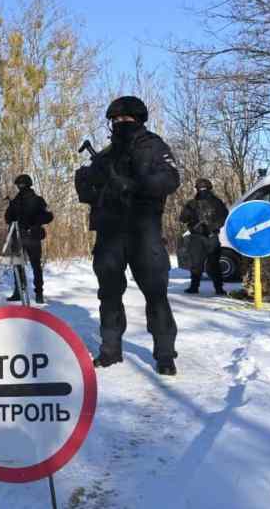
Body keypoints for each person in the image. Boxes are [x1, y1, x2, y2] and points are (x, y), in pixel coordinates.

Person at [74, 96, 181, 376]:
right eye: (116, 119)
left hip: (144, 231)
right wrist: (85, 182)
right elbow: (89, 194)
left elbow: (171, 179)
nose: (120, 123)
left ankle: (165, 354)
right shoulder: (106, 155)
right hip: (110, 233)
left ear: (138, 119)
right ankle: (110, 350)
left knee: (156, 295)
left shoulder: (153, 146)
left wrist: (136, 185)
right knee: (109, 294)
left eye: (126, 119)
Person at [4, 174, 53, 304]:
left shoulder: (36, 200)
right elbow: (8, 219)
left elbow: (48, 216)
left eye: (20, 184)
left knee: (29, 265)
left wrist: (35, 222)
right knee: (25, 265)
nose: (19, 187)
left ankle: (33, 293)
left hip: (28, 236)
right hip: (23, 236)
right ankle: (28, 293)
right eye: (18, 185)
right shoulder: (20, 201)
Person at [179, 178, 229, 295]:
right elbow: (183, 219)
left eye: (202, 188)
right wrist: (189, 211)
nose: (202, 191)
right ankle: (205, 288)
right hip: (203, 237)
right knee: (204, 264)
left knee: (206, 264)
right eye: (201, 188)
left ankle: (209, 288)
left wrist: (212, 226)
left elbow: (224, 217)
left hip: (205, 236)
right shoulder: (196, 203)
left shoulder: (213, 202)